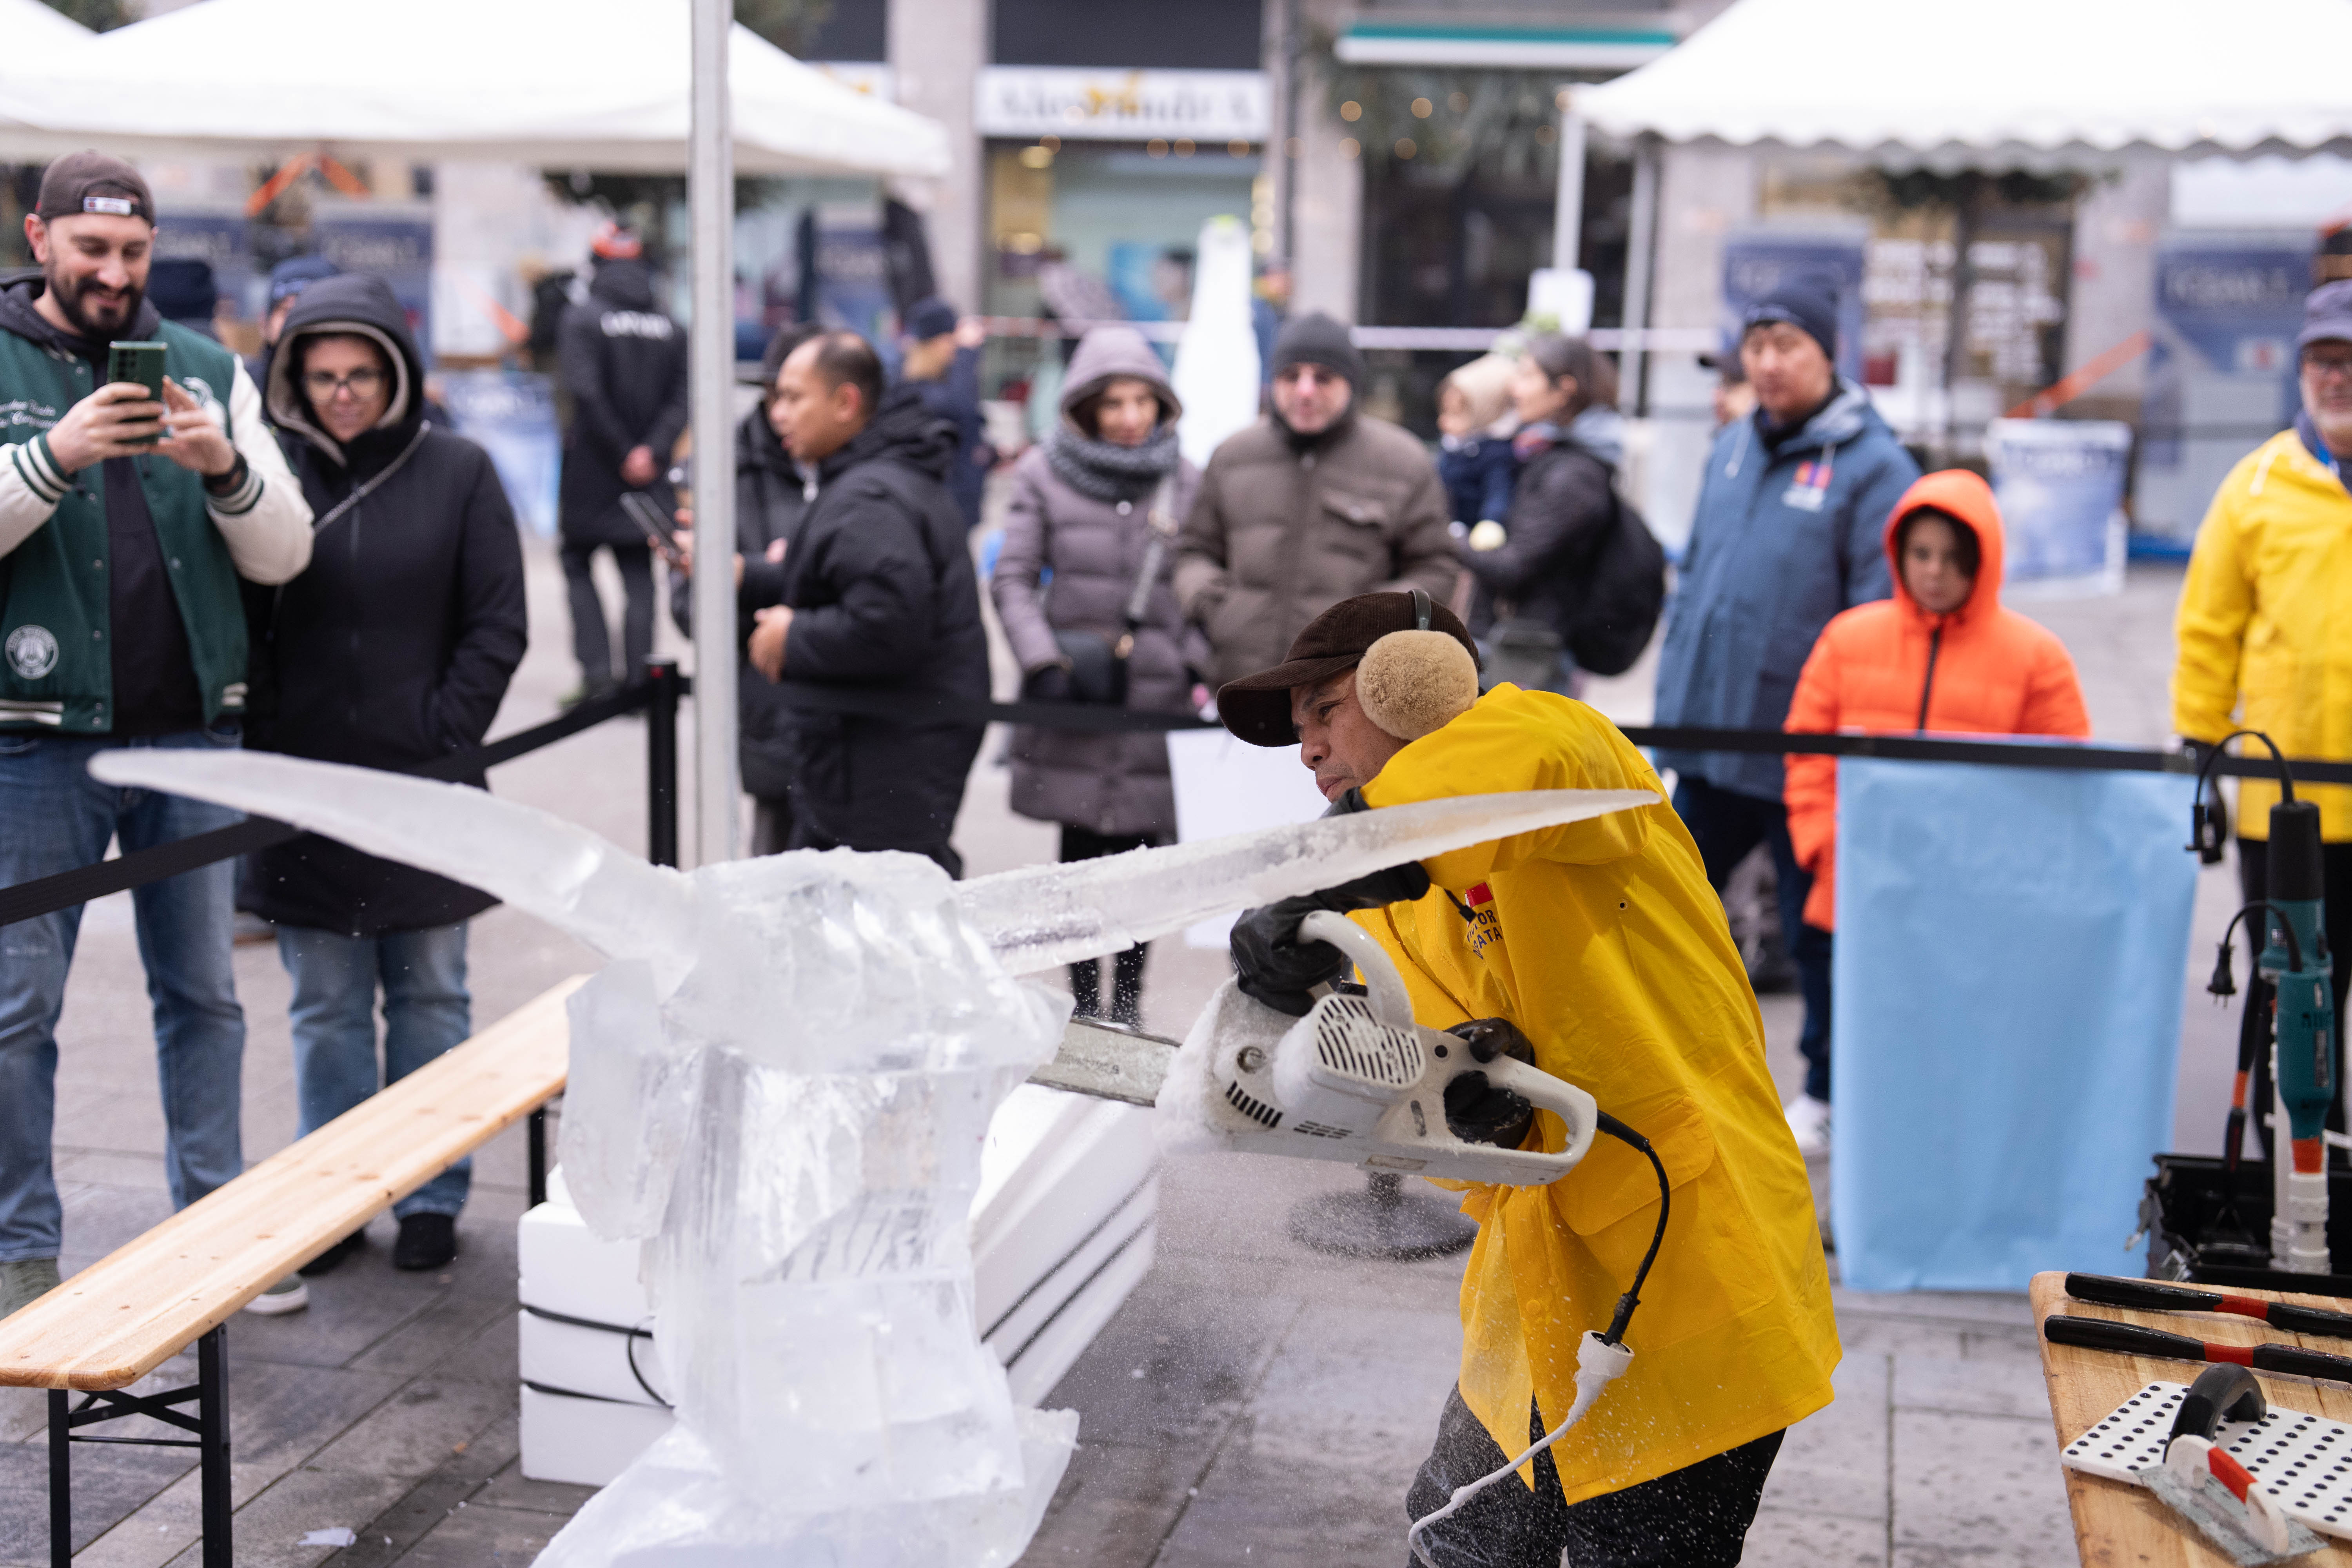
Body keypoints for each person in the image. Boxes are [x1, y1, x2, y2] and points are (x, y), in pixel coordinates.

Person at [1215, 590, 1837, 1568]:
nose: (1309, 753)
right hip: (1535, 1302)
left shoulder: (1572, 758)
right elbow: (1444, 1140)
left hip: (1693, 1275)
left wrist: (1337, 857)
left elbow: (1509, 763)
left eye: (1325, 713)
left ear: (1417, 686)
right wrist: (1470, 1125)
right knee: (1454, 1540)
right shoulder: (1387, 921)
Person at [0, 151, 313, 1320]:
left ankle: (218, 1221)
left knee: (206, 998)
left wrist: (224, 464)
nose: (114, 273)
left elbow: (287, 554)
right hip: (33, 744)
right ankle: (20, 1247)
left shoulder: (206, 368)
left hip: (191, 736)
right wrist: (57, 453)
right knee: (17, 1011)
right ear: (40, 238)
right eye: (91, 249)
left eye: (132, 253)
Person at [241, 273, 527, 1283]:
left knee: (429, 995)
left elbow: (498, 620)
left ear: (398, 372)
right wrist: (267, 733)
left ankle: (433, 1191)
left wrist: (443, 730)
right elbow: (243, 616)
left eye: (362, 373)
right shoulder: (266, 469)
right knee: (322, 1004)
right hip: (305, 788)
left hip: (425, 785)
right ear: (291, 378)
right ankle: (334, 1192)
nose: (343, 393)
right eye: (321, 376)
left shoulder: (459, 470)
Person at [1650, 274, 1919, 1156]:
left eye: (1787, 347)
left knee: (1816, 930)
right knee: (1663, 898)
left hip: (1805, 749)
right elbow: (1698, 586)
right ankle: (1657, 1057)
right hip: (1711, 734)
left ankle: (1829, 1088)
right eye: (1756, 346)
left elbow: (1883, 618)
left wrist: (1856, 740)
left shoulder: (1874, 466)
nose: (1767, 364)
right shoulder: (1729, 446)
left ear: (1827, 354)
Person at [1782, 470, 2089, 1152]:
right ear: (1898, 553)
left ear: (1984, 561)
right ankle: (1827, 1094)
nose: (1935, 572)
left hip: (1970, 893)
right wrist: (1823, 845)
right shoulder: (1848, 639)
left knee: (1952, 1023)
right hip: (1857, 873)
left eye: (1954, 558)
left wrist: (2005, 870)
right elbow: (1806, 752)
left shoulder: (2035, 657)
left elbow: (2063, 785)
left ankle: (1947, 1125)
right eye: (1921, 554)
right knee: (1839, 998)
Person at [2176, 278, 2352, 1138]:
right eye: (2325, 359)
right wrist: (2200, 753)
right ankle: (2295, 1157)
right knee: (2287, 986)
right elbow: (2209, 628)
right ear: (2302, 371)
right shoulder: (2256, 486)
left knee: (2340, 986)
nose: (2338, 376)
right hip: (2283, 806)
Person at [990, 325, 1201, 1025]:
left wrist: (1200, 667)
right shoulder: (1043, 473)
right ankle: (1085, 1006)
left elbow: (1209, 583)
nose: (1131, 417)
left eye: (1144, 400)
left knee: (1146, 864)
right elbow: (1013, 577)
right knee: (1079, 860)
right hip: (1077, 696)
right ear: (1085, 407)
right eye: (1114, 403)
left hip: (1158, 700)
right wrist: (1040, 659)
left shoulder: (1186, 479)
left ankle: (1130, 1005)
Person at [752, 330, 988, 874]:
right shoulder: (877, 477)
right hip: (886, 748)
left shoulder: (868, 495)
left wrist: (793, 635)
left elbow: (887, 623)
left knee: (887, 919)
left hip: (886, 758)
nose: (777, 414)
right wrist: (750, 576)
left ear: (846, 403)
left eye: (792, 397)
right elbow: (848, 578)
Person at [1174, 310, 1459, 690]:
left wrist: (1374, 622)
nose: (1305, 390)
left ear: (1352, 384)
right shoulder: (1233, 455)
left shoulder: (1401, 462)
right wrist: (1215, 607)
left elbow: (1436, 566)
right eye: (1292, 376)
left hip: (1351, 691)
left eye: (1323, 377)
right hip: (1242, 685)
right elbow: (1193, 550)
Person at [669, 323, 820, 856]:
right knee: (775, 881)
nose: (787, 412)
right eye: (781, 395)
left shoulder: (863, 469)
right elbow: (689, 608)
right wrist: (760, 582)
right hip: (770, 711)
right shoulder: (719, 469)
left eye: (803, 397)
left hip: (861, 724)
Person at [557, 227, 688, 704]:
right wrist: (651, 451)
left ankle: (596, 677)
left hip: (592, 471)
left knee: (576, 564)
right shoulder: (672, 325)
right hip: (649, 474)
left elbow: (585, 392)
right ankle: (638, 683)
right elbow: (683, 396)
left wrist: (620, 450)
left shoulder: (583, 319)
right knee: (638, 573)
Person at [1456, 334, 1628, 693]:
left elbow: (1514, 566)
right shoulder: (1543, 451)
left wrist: (1446, 538)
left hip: (1531, 659)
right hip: (1519, 648)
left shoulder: (1574, 476)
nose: (1513, 388)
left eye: (1527, 376)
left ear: (1563, 390)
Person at [898, 295, 993, 532]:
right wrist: (967, 355)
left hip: (957, 498)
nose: (954, 350)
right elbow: (958, 406)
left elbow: (966, 427)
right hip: (942, 502)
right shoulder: (912, 383)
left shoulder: (941, 378)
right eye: (951, 342)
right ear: (936, 343)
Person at [1435, 352, 1518, 534]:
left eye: (1457, 414)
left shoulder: (1495, 453)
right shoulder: (1453, 445)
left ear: (1483, 413)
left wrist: (1490, 525)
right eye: (1444, 412)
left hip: (1471, 532)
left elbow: (1497, 495)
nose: (1445, 422)